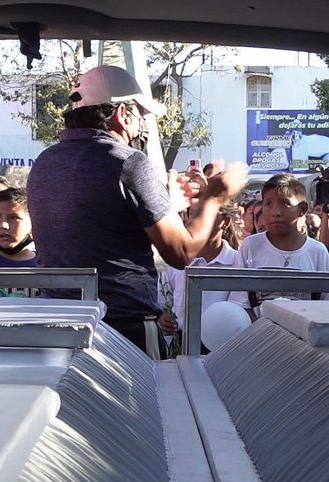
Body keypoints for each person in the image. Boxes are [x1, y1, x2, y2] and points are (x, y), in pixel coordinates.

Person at [27, 64, 247, 357]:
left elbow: (96, 226)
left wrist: (165, 205)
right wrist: (213, 199)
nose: (139, 127)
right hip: (121, 328)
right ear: (121, 113)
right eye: (139, 117)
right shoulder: (128, 162)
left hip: (57, 326)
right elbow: (180, 253)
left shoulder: (43, 163)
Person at [229, 173, 329, 319]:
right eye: (269, 204)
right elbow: (239, 303)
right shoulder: (251, 246)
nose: (275, 212)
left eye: (285, 203)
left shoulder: (317, 251)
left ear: (302, 209)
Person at [157, 202, 240, 356]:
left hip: (224, 347)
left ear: (225, 222)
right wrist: (164, 320)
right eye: (192, 214)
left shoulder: (237, 264)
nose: (196, 221)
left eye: (205, 214)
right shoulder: (176, 263)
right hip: (180, 346)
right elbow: (163, 306)